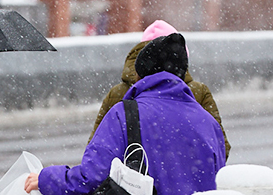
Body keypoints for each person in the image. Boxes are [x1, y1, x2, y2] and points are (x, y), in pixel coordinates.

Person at [26, 33, 225, 195]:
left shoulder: (125, 114)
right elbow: (218, 183)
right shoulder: (208, 122)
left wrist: (46, 179)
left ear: (141, 75)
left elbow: (91, 179)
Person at [92, 20, 229, 158]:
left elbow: (97, 149)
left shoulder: (117, 93)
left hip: (131, 170)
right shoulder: (197, 91)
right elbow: (220, 147)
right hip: (187, 170)